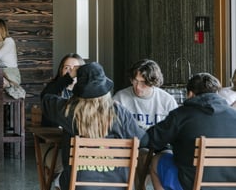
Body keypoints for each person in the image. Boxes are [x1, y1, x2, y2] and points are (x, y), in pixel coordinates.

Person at [42, 62, 145, 190]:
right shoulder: (120, 113)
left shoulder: (68, 111)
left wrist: (69, 76)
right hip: (117, 185)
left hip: (78, 185)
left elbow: (45, 97)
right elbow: (143, 140)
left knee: (59, 181)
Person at [144, 72, 236, 190]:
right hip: (230, 185)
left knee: (156, 160)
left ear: (190, 94)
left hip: (190, 185)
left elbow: (151, 140)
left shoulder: (181, 115)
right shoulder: (234, 115)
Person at [113, 59, 178, 188]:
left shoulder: (166, 100)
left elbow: (175, 132)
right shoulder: (120, 98)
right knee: (141, 155)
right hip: (130, 145)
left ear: (153, 82)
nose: (137, 87)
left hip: (161, 146)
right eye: (135, 81)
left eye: (143, 83)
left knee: (168, 158)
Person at [40, 53, 85, 126]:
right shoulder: (54, 86)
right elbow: (45, 97)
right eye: (67, 68)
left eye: (76, 69)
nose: (71, 71)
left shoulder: (86, 90)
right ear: (61, 70)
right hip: (54, 134)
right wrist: (69, 77)